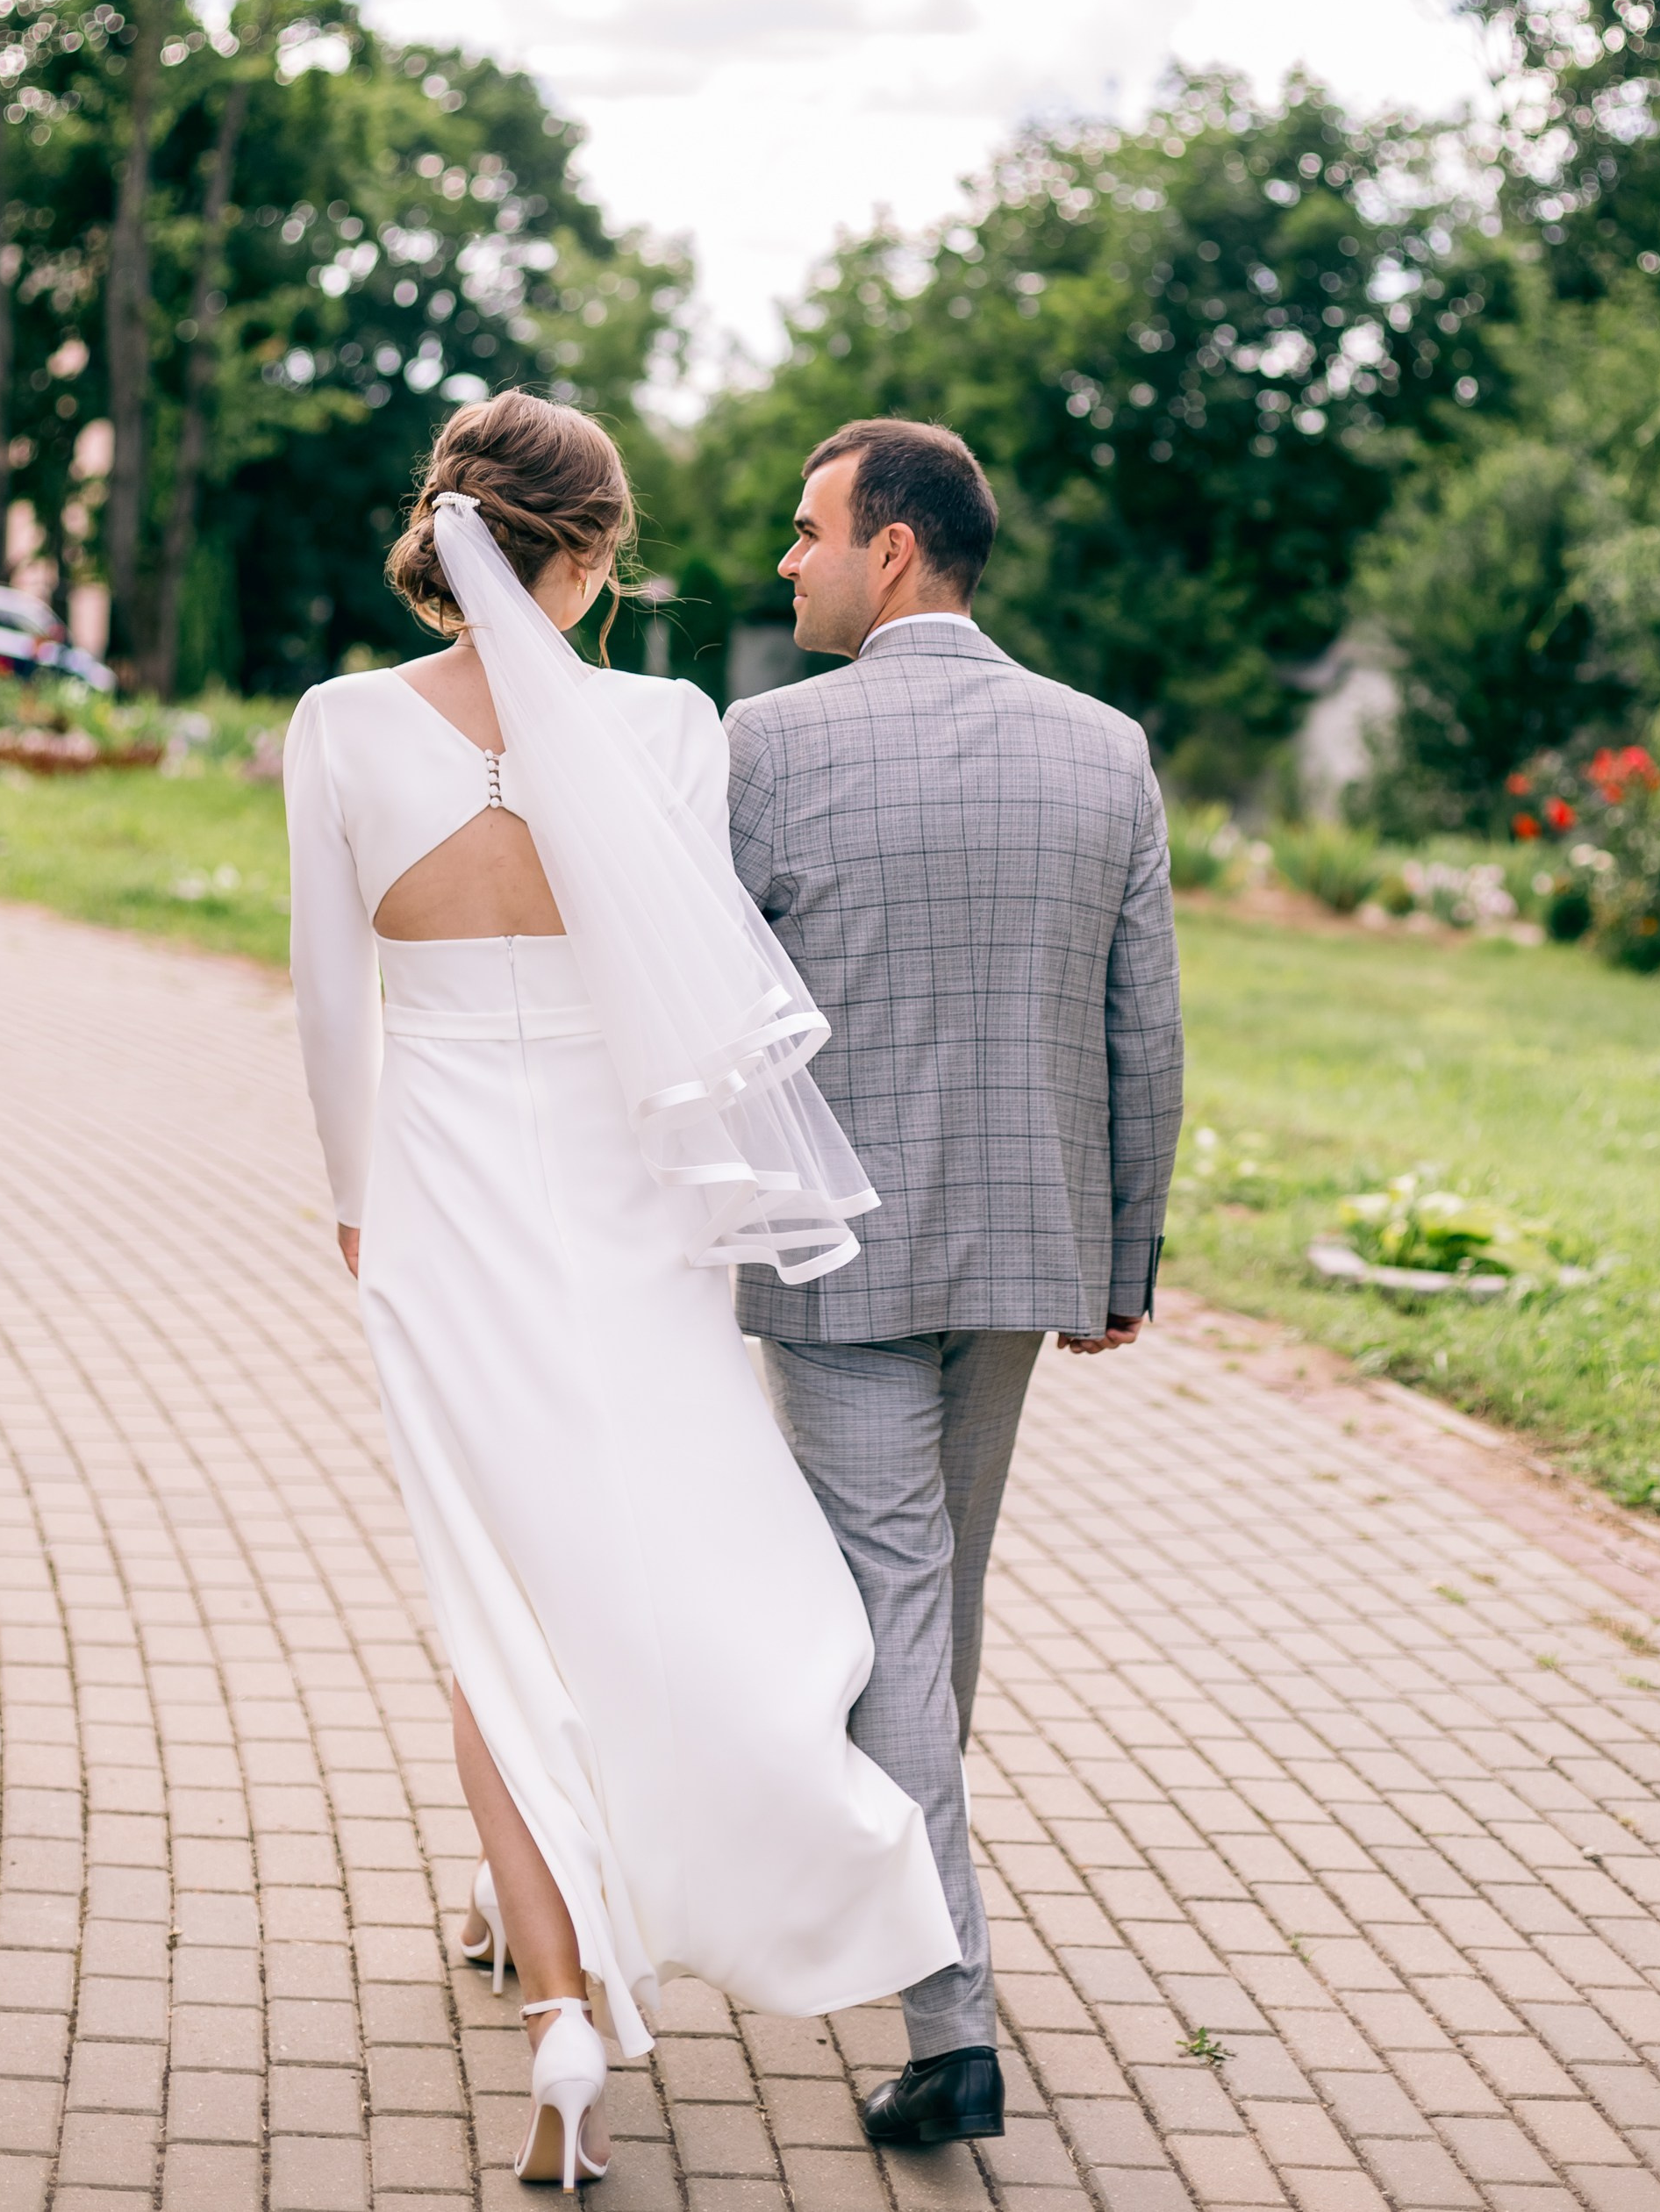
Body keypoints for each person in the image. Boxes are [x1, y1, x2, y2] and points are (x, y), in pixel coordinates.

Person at [283, 391, 956, 2194]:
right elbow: (681, 975)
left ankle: (560, 2011)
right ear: (589, 553)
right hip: (636, 1206)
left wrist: (356, 1208)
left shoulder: (343, 727)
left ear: (453, 536)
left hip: (440, 1198)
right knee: (652, 1550)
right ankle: (710, 1867)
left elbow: (331, 1010)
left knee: (489, 1590)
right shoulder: (667, 725)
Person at [725, 418, 1184, 2151]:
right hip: (1021, 1249)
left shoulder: (765, 744)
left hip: (838, 1259)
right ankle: (912, 1915)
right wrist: (1122, 1248)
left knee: (903, 1603)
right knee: (934, 1597)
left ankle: (951, 2019)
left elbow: (714, 1013)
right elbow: (1148, 1021)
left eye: (809, 528)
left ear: (893, 546)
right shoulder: (1105, 749)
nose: (792, 559)